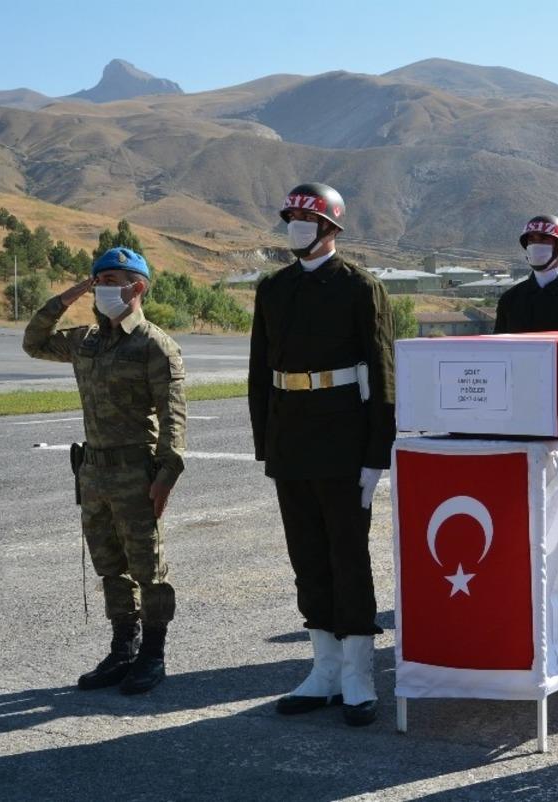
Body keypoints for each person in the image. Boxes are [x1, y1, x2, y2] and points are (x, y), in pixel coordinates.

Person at [248, 182, 396, 726]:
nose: (297, 226)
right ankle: (324, 670)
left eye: (306, 219)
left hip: (343, 437)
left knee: (347, 557)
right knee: (306, 557)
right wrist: (267, 444)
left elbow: (383, 372)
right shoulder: (273, 289)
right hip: (291, 438)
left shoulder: (361, 288)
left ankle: (359, 674)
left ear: (331, 228)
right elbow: (259, 372)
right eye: (291, 218)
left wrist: (377, 454)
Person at [23, 246, 187, 695]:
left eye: (115, 280)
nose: (106, 289)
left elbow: (172, 417)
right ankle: (123, 650)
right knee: (110, 567)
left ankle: (153, 655)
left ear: (139, 287)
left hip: (137, 472)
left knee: (148, 568)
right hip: (93, 472)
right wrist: (70, 295)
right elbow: (34, 342)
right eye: (100, 280)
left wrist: (166, 475)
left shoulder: (154, 344)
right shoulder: (85, 340)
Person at [494, 214, 558, 333]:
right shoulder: (510, 299)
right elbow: (499, 346)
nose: (535, 245)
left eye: (544, 239)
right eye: (531, 239)